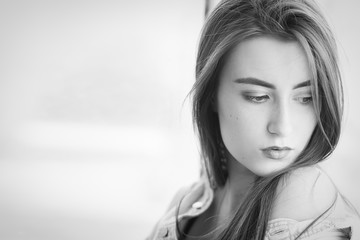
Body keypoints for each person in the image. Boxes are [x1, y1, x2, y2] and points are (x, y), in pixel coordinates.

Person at [147, 0, 360, 239]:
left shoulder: (305, 200)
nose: (283, 126)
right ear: (211, 95)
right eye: (258, 97)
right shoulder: (186, 204)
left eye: (305, 98)